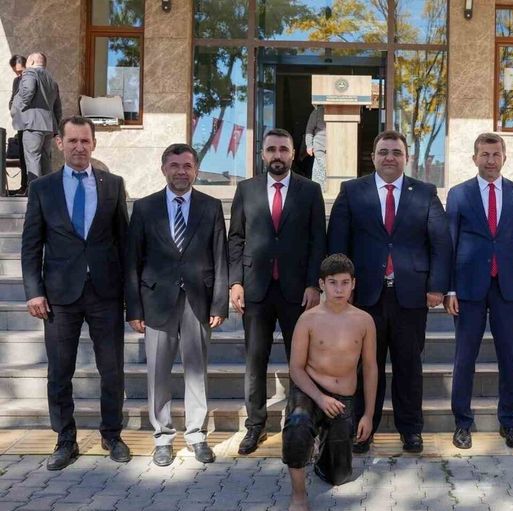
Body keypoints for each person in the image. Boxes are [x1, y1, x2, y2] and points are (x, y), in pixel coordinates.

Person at [327, 130, 452, 454]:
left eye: (396, 152)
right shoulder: (352, 191)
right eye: (383, 152)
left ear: (406, 157)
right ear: (373, 157)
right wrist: (338, 288)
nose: (389, 158)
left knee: (408, 366)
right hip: (364, 298)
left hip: (411, 296)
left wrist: (437, 286)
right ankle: (362, 429)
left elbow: (441, 242)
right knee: (365, 365)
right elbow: (337, 242)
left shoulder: (424, 192)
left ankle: (410, 430)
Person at [20, 115, 129, 470]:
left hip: (105, 293)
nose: (79, 147)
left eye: (85, 141)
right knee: (59, 371)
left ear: (94, 143)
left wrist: (130, 296)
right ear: (59, 143)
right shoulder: (42, 188)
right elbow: (31, 245)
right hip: (58, 297)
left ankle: (112, 434)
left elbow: (124, 243)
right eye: (73, 141)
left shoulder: (113, 185)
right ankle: (65, 439)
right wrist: (34, 291)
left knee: (111, 370)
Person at [125, 143, 228, 466]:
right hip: (156, 301)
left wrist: (219, 304)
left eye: (187, 166)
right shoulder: (144, 208)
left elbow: (220, 257)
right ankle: (163, 437)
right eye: (174, 166)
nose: (181, 172)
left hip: (198, 301)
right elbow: (132, 261)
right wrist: (134, 309)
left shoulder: (211, 206)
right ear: (163, 169)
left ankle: (197, 435)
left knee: (196, 371)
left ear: (195, 170)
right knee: (158, 373)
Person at [228, 128, 326, 455]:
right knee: (255, 361)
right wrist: (235, 281)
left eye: (283, 149)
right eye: (271, 149)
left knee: (301, 361)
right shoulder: (246, 190)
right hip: (256, 289)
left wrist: (313, 284)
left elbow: (318, 240)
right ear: (263, 153)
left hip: (297, 291)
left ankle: (299, 424)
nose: (277, 155)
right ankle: (255, 426)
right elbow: (236, 238)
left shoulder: (310, 191)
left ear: (294, 153)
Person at [444, 133, 513, 450]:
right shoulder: (459, 194)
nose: (490, 160)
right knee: (464, 358)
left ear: (504, 157)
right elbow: (450, 242)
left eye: (496, 154)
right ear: (474, 158)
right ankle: (462, 423)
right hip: (468, 287)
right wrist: (449, 289)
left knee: (509, 359)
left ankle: (509, 422)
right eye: (484, 154)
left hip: (509, 288)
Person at [282, 254, 378, 511]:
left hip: (343, 398)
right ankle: (299, 495)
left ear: (353, 284)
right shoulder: (308, 319)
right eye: (333, 282)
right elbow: (296, 369)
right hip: (310, 391)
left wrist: (368, 415)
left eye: (345, 283)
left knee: (339, 475)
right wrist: (320, 398)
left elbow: (370, 368)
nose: (339, 289)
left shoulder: (364, 320)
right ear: (322, 284)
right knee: (297, 427)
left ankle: (322, 453)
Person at [10, 52, 61, 182]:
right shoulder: (51, 80)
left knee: (33, 160)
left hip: (32, 125)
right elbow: (57, 107)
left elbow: (28, 91)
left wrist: (17, 109)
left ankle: (35, 191)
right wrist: (56, 128)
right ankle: (47, 191)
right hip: (48, 127)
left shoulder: (30, 73)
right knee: (45, 162)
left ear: (32, 62)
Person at [7, 55, 27, 194]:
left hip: (31, 124)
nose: (19, 75)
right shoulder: (17, 81)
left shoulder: (33, 79)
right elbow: (13, 98)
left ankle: (30, 187)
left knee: (31, 158)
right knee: (22, 156)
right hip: (20, 123)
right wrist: (12, 108)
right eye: (16, 72)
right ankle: (23, 186)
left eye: (20, 71)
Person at [305, 105, 326, 190]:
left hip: (338, 150)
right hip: (320, 149)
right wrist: (309, 146)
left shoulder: (340, 110)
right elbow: (309, 130)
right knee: (319, 178)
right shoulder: (317, 112)